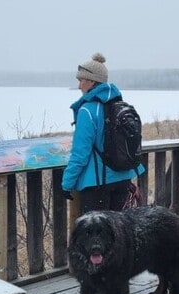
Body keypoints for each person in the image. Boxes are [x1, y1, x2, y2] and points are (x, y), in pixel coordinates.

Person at [62, 53, 145, 214]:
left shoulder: (88, 110)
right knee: (117, 232)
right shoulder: (120, 105)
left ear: (92, 81)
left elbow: (80, 153)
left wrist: (67, 183)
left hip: (97, 185)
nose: (79, 86)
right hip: (123, 179)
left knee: (95, 237)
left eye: (81, 80)